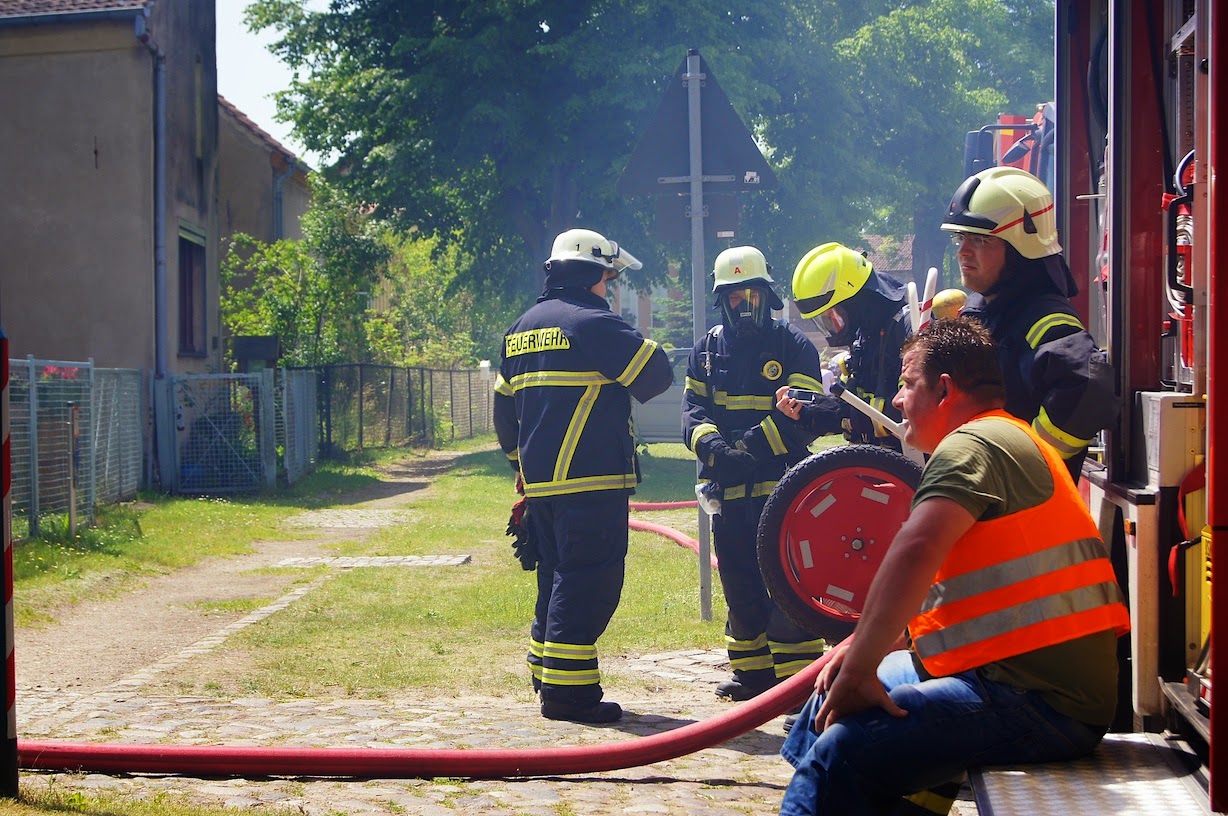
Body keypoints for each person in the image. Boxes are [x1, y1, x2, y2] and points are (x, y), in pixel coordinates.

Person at [778, 317, 1130, 816]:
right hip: (1013, 679)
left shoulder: (973, 446)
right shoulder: (1004, 438)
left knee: (845, 751)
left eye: (906, 384)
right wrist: (861, 652)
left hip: (1040, 701)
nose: (897, 400)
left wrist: (860, 668)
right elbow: (958, 592)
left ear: (944, 390)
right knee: (822, 705)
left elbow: (914, 550)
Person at [493, 228, 672, 724]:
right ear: (596, 274)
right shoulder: (593, 324)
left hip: (543, 486)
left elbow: (503, 412)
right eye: (610, 280)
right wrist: (635, 335)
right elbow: (656, 377)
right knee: (590, 579)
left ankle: (545, 668)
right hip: (592, 479)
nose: (610, 289)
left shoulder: (520, 329)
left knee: (556, 576)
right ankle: (569, 695)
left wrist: (520, 469)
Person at [683, 245, 827, 702]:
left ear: (768, 296)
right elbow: (692, 411)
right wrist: (713, 447)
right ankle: (751, 674)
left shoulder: (795, 347)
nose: (743, 307)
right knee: (739, 581)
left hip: (783, 492)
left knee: (786, 581)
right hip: (729, 492)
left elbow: (802, 414)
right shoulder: (705, 350)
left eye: (751, 296)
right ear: (721, 301)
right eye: (733, 298)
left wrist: (748, 448)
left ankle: (797, 684)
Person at [941, 166, 1115, 481]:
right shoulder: (982, 308)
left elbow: (1090, 386)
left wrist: (1026, 461)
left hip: (1025, 515)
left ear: (1022, 249)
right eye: (960, 237)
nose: (963, 251)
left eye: (980, 240)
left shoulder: (1045, 320)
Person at [779, 242, 910, 448]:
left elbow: (911, 412)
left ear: (856, 299)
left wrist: (852, 417)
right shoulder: (864, 336)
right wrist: (808, 412)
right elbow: (850, 409)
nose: (833, 326)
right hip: (875, 463)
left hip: (908, 468)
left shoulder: (907, 327)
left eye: (833, 314)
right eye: (824, 320)